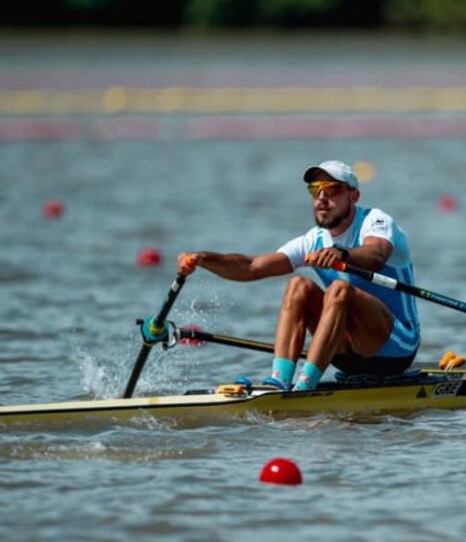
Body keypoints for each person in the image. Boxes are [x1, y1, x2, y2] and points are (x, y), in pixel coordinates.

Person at [173, 160, 420, 391]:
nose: (322, 198)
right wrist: (205, 259)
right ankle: (278, 382)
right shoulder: (313, 240)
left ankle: (305, 386)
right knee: (298, 285)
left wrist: (341, 255)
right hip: (345, 355)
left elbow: (375, 255)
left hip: (396, 348)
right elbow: (251, 266)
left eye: (332, 189)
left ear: (353, 196)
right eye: (315, 190)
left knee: (339, 290)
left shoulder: (375, 222)